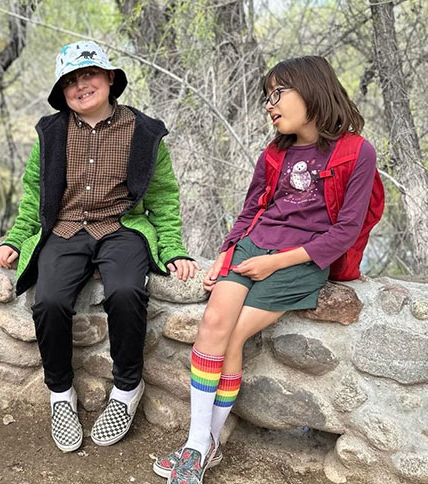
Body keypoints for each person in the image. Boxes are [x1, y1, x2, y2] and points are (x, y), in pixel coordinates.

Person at [155, 56, 380, 484]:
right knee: (214, 323)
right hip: (253, 246)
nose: (269, 105)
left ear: (311, 88)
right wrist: (227, 253)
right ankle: (197, 446)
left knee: (236, 333)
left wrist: (276, 262)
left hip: (301, 260)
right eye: (267, 97)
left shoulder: (356, 151)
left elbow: (345, 231)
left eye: (278, 94)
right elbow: (249, 213)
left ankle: (202, 447)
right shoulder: (274, 153)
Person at [0, 40, 199, 453]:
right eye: (70, 81)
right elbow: (34, 193)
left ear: (109, 79)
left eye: (89, 75)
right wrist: (16, 239)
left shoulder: (144, 132)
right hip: (66, 228)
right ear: (62, 92)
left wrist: (174, 248)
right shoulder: (51, 133)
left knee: (125, 292)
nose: (81, 86)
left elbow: (162, 196)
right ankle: (61, 394)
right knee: (48, 299)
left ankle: (126, 389)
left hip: (120, 227)